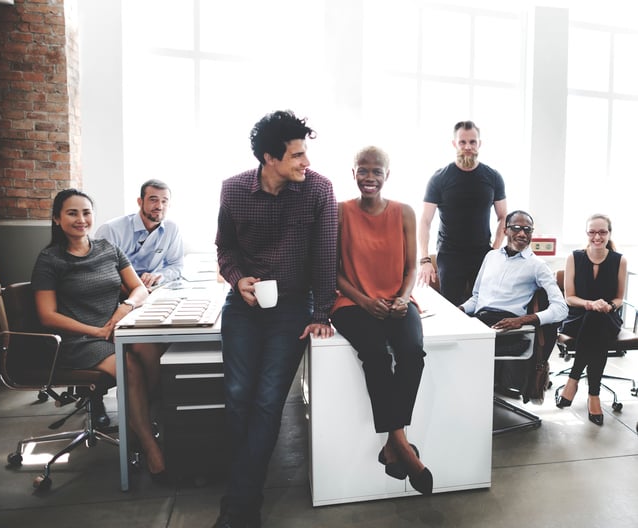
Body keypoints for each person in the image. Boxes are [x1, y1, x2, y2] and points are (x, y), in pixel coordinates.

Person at [214, 110, 337, 528]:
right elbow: (225, 249)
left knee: (267, 403)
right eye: (298, 155)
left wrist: (321, 312)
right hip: (245, 305)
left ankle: (240, 508)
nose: (307, 162)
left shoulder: (319, 190)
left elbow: (325, 256)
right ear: (270, 158)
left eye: (306, 153)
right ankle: (242, 489)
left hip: (292, 307)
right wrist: (237, 280)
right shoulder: (233, 191)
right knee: (237, 399)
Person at [31, 189, 168, 484]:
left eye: (86, 213)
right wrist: (96, 330)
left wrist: (126, 307)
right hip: (77, 340)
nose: (81, 220)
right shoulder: (50, 260)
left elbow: (139, 288)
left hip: (113, 329)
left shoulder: (107, 248)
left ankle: (144, 414)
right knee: (130, 369)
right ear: (56, 219)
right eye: (72, 213)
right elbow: (47, 315)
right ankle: (148, 442)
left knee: (150, 349)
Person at [330, 146, 432, 495]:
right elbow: (333, 271)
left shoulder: (404, 212)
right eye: (363, 170)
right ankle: (401, 444)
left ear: (387, 175)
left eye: (376, 171)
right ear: (353, 173)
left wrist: (403, 297)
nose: (369, 177)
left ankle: (392, 444)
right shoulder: (340, 212)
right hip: (351, 302)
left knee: (412, 353)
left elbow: (411, 267)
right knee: (375, 355)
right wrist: (362, 300)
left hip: (397, 299)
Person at [460, 210, 568, 388]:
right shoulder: (491, 257)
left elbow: (561, 309)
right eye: (516, 228)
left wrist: (523, 320)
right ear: (505, 230)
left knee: (462, 346)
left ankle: (475, 396)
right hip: (480, 321)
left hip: (508, 328)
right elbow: (477, 297)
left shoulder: (537, 266)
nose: (522, 234)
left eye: (527, 230)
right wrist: (460, 310)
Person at [418, 120, 507, 306]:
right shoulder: (439, 178)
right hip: (450, 255)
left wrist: (495, 250)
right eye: (462, 142)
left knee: (483, 307)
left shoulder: (493, 177)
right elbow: (425, 220)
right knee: (451, 309)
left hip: (482, 254)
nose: (468, 147)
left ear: (479, 144)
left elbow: (503, 217)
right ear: (454, 144)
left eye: (472, 142)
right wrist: (424, 259)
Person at [555, 214, 628, 426]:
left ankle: (573, 380)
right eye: (592, 232)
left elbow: (619, 298)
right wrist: (590, 304)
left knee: (597, 320)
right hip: (577, 317)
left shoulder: (619, 260)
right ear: (587, 233)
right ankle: (593, 396)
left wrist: (609, 306)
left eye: (602, 232)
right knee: (593, 319)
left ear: (609, 233)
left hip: (607, 316)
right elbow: (569, 297)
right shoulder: (574, 257)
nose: (597, 236)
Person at [95, 179, 184, 289]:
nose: (159, 206)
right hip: (117, 291)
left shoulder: (171, 228)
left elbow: (176, 265)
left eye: (164, 201)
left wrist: (157, 276)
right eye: (153, 200)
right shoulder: (111, 229)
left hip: (150, 289)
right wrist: (136, 291)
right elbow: (102, 273)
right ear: (140, 202)